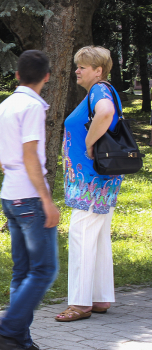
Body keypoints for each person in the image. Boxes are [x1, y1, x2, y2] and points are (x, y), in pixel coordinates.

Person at [0, 49, 58, 350]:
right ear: (47, 77)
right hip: (28, 197)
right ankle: (6, 331)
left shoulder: (3, 107)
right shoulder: (31, 107)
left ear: (16, 75)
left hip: (9, 195)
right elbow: (30, 156)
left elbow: (3, 158)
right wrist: (46, 199)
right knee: (44, 269)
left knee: (23, 271)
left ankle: (19, 342)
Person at [55, 46, 124, 323]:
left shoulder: (99, 90)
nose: (77, 70)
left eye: (83, 66)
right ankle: (99, 297)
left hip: (90, 181)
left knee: (81, 234)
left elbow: (105, 113)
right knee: (97, 236)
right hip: (99, 178)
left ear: (98, 70)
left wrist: (88, 142)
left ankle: (80, 303)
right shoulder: (104, 90)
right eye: (77, 66)